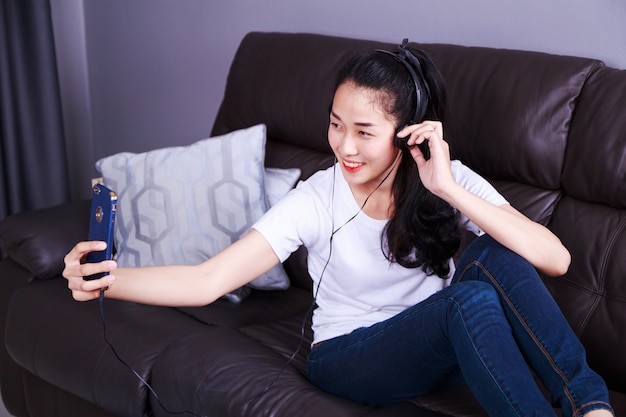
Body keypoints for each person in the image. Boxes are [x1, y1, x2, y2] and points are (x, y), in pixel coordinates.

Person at [63, 40, 614, 417]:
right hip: (350, 359)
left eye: (365, 131)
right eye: (334, 124)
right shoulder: (317, 197)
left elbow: (556, 259)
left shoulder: (445, 177)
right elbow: (209, 280)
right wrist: (108, 278)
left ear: (407, 133)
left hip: (437, 349)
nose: (344, 147)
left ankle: (591, 404)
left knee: (496, 258)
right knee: (467, 303)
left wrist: (446, 187)